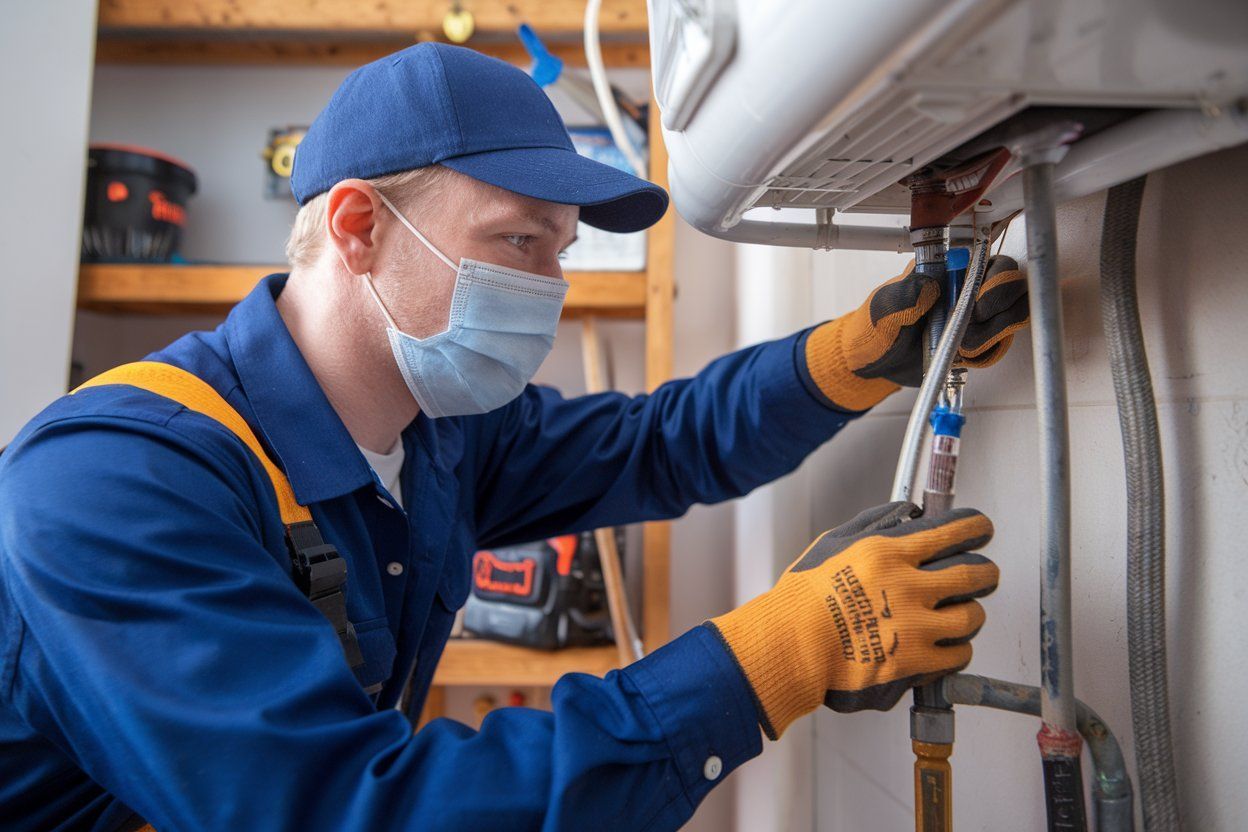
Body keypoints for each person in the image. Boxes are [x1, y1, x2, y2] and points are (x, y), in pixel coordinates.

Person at [0, 44, 1028, 831]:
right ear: (357, 228)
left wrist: (848, 357)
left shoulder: (439, 431)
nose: (550, 286)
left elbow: (656, 444)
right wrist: (778, 654)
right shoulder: (117, 477)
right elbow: (347, 807)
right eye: (517, 241)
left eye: (561, 250)